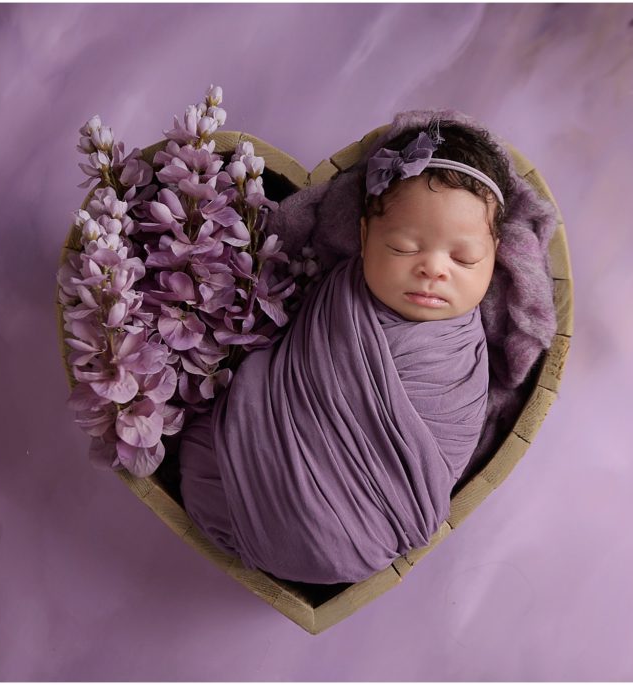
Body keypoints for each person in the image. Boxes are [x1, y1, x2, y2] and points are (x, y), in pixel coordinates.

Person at [177, 119, 514, 585]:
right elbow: (287, 367)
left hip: (365, 531)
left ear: (495, 256)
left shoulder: (458, 359)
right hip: (236, 483)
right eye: (402, 247)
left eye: (464, 259)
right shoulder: (339, 293)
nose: (434, 269)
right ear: (363, 237)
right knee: (207, 444)